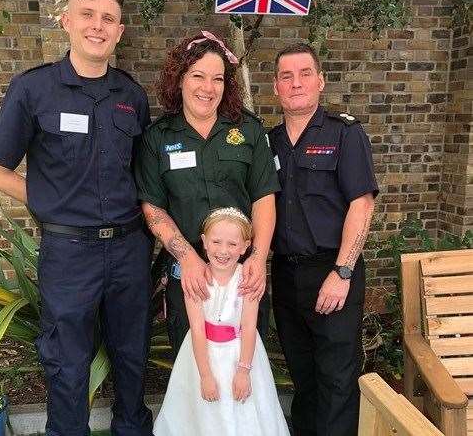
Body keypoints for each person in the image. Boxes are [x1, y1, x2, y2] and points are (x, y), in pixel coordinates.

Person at [0, 0, 153, 436]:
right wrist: (50, 203)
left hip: (129, 249)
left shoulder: (132, 97)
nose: (98, 26)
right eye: (87, 15)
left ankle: (133, 429)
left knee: (132, 354)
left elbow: (142, 176)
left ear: (119, 32)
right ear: (67, 22)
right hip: (68, 254)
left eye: (108, 19)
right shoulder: (34, 90)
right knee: (67, 362)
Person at [135, 31, 279, 356]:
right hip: (190, 279)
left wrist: (258, 258)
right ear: (180, 80)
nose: (207, 88)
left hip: (242, 277)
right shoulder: (158, 138)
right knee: (195, 373)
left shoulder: (248, 130)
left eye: (217, 79)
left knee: (244, 373)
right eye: (197, 76)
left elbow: (264, 197)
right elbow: (153, 208)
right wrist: (187, 258)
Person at [268, 43, 378, 436]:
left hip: (332, 271)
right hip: (284, 275)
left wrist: (343, 271)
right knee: (302, 375)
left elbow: (361, 206)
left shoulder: (344, 133)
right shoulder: (269, 143)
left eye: (305, 74)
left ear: (321, 81)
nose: (296, 83)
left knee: (336, 380)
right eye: (286, 76)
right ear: (276, 88)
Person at [154, 208, 290, 436]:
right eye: (216, 242)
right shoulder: (195, 281)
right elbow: (197, 329)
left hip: (240, 355)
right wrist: (205, 375)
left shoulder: (248, 279)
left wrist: (244, 371)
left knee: (243, 409)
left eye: (232, 244)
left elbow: (248, 326)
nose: (223, 251)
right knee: (204, 410)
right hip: (203, 356)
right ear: (205, 242)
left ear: (246, 246)